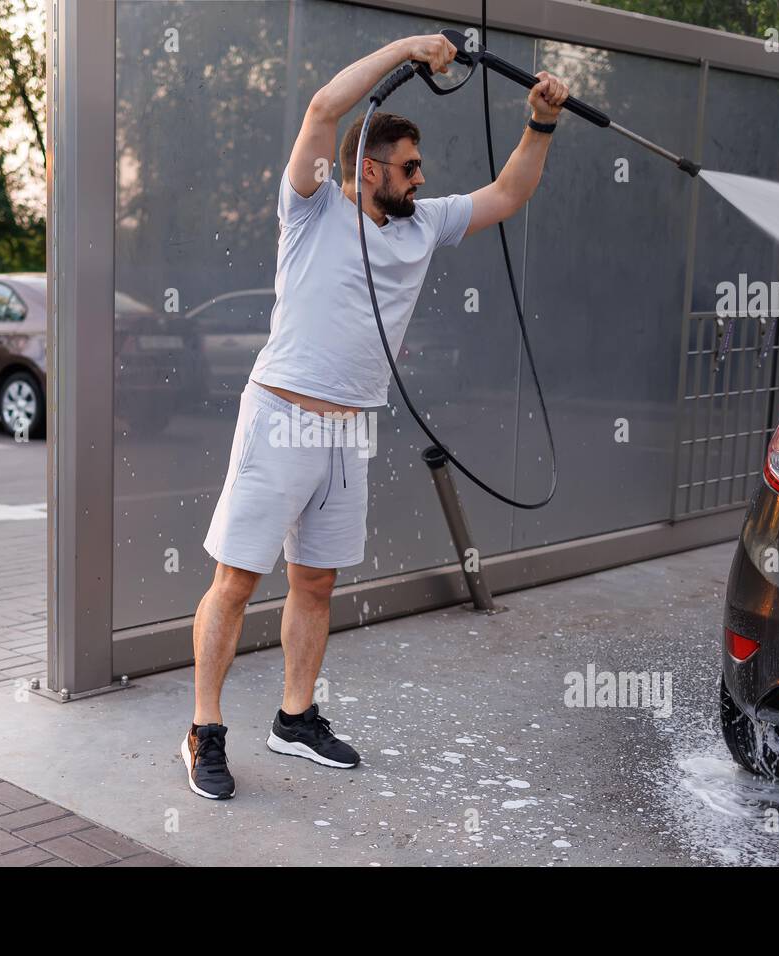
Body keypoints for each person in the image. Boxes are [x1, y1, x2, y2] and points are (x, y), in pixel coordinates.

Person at [182, 33, 569, 800]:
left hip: (351, 426)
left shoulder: (424, 225)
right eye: (409, 168)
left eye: (421, 167)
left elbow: (507, 194)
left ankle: (294, 720)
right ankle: (204, 731)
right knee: (235, 580)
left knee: (316, 582)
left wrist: (540, 123)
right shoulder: (313, 206)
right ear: (367, 170)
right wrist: (410, 50)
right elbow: (326, 106)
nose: (422, 179)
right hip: (281, 416)